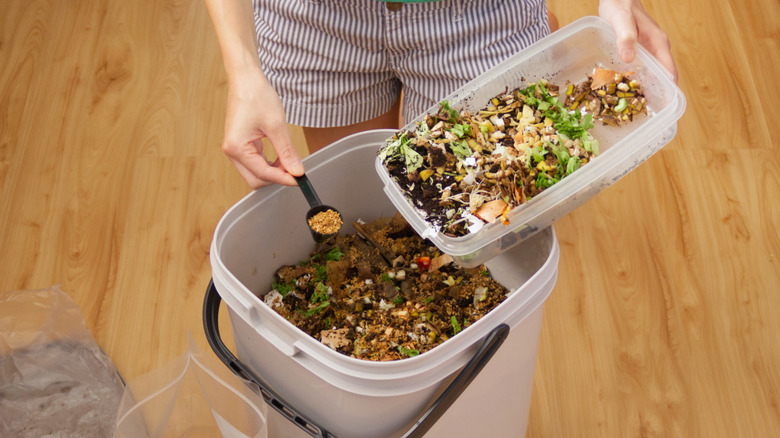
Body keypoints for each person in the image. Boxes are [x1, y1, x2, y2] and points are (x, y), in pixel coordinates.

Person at [204, 0, 677, 189]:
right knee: (370, 190)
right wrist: (242, 70)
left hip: (478, 16)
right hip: (318, 21)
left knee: (488, 188)